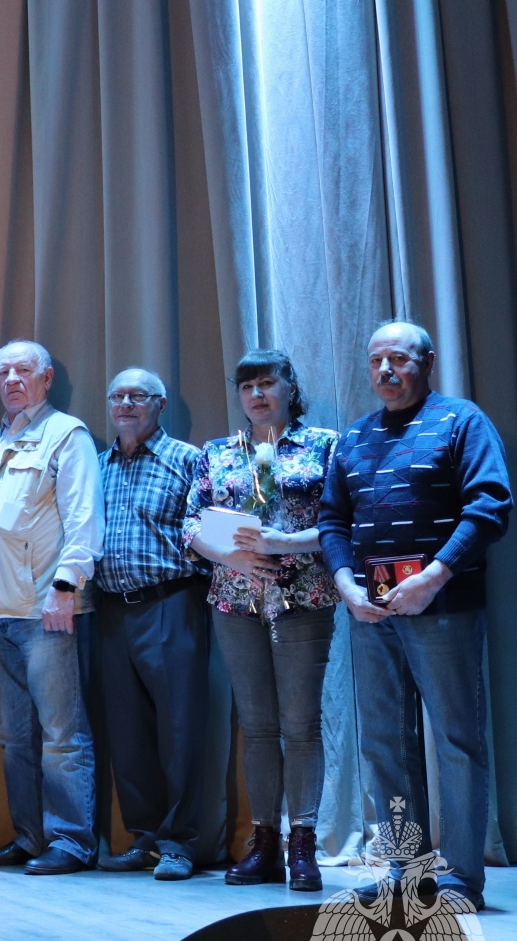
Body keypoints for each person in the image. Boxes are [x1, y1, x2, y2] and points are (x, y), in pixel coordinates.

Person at [319, 321, 511, 908]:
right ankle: (405, 867)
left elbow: (491, 503)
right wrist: (347, 585)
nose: (385, 371)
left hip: (442, 605)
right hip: (371, 611)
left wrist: (435, 574)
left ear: (426, 363)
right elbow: (333, 521)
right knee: (383, 743)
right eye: (376, 360)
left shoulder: (461, 420)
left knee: (456, 739)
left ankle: (460, 877)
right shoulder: (352, 437)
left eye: (398, 359)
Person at [183, 349, 338, 891]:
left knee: (299, 726)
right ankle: (265, 841)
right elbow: (190, 524)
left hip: (304, 596)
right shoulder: (219, 452)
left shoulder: (323, 445)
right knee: (258, 727)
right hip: (235, 599)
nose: (256, 395)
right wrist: (231, 557)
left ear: (289, 388)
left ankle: (303, 843)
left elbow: (341, 524)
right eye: (246, 386)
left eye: (267, 383)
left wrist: (285, 542)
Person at [0, 340, 101, 876]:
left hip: (47, 609)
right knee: (13, 734)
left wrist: (66, 587)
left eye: (24, 370)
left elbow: (84, 517)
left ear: (46, 379)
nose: (12, 379)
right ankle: (30, 835)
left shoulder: (66, 435)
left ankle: (71, 842)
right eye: (3, 372)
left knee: (61, 734)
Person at [91, 369, 207, 882]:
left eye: (139, 396)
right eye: (117, 395)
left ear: (160, 404)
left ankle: (179, 842)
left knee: (179, 727)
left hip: (171, 603)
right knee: (126, 731)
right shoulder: (97, 465)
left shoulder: (188, 459)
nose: (127, 404)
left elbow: (210, 533)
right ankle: (143, 838)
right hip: (111, 609)